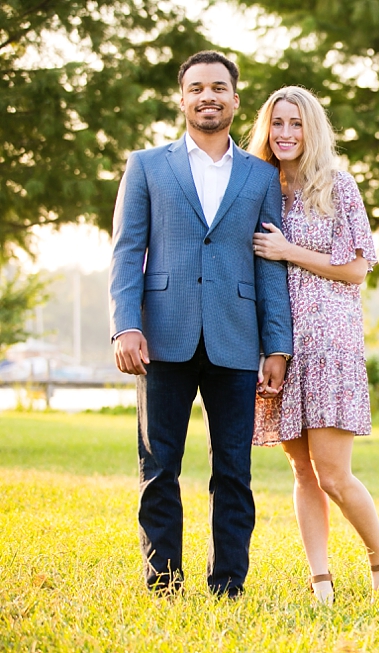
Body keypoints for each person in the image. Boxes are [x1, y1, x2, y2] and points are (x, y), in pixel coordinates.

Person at [108, 51, 293, 598]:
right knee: (159, 467)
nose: (207, 96)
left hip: (237, 339)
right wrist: (124, 326)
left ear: (236, 100)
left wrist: (277, 345)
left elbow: (269, 263)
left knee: (233, 471)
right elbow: (126, 252)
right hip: (161, 336)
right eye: (196, 88)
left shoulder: (261, 177)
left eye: (219, 88)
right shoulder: (146, 165)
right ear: (182, 98)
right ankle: (163, 582)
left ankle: (228, 585)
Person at [249, 86, 379, 605]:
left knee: (333, 474)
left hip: (330, 341)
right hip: (279, 342)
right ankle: (320, 579)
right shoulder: (258, 186)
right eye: (277, 123)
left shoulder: (338, 187)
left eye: (296, 123)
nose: (286, 133)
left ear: (312, 129)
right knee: (300, 469)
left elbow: (357, 269)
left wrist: (288, 250)